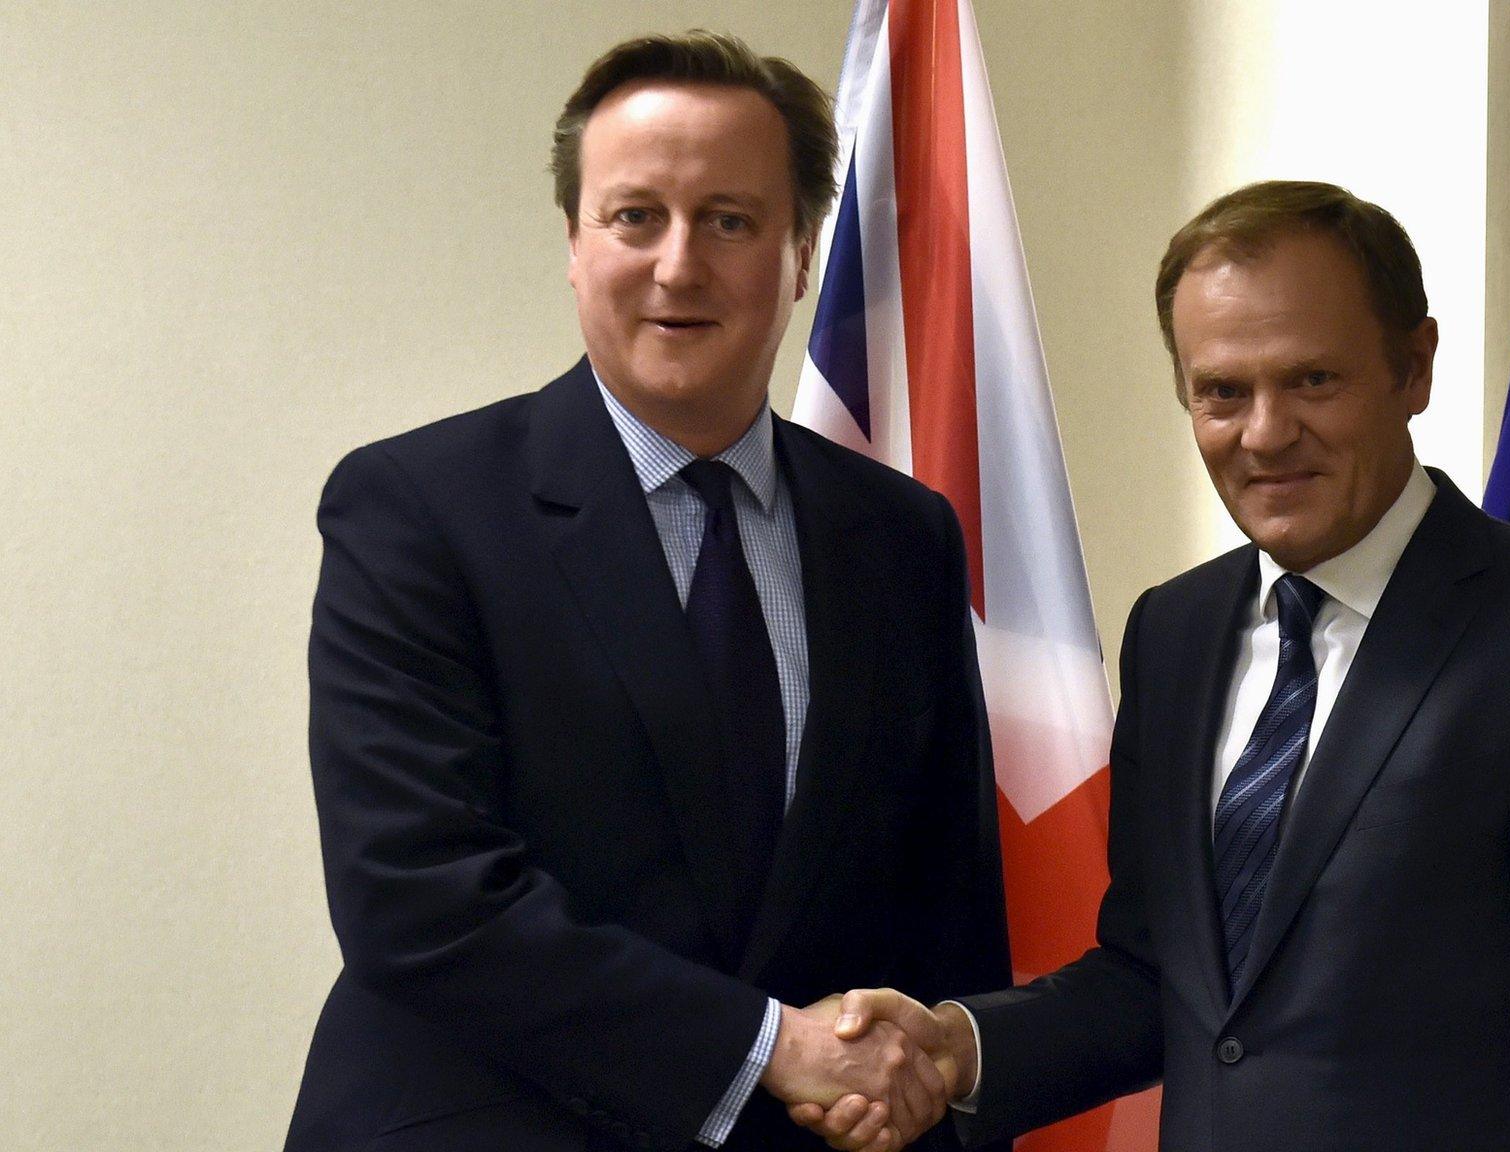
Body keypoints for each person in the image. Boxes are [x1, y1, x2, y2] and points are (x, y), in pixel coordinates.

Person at [800, 181, 1510, 1152]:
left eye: (1311, 381)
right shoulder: (1173, 633)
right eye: (1221, 392)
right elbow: (1157, 981)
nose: (1263, 434)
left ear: (1413, 367)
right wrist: (957, 1048)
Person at [285, 33, 1008, 1152]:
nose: (679, 265)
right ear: (574, 244)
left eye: (729, 219)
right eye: (635, 217)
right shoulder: (416, 509)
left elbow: (945, 911)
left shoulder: (903, 538)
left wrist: (916, 1086)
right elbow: (417, 895)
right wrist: (770, 1049)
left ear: (801, 252)